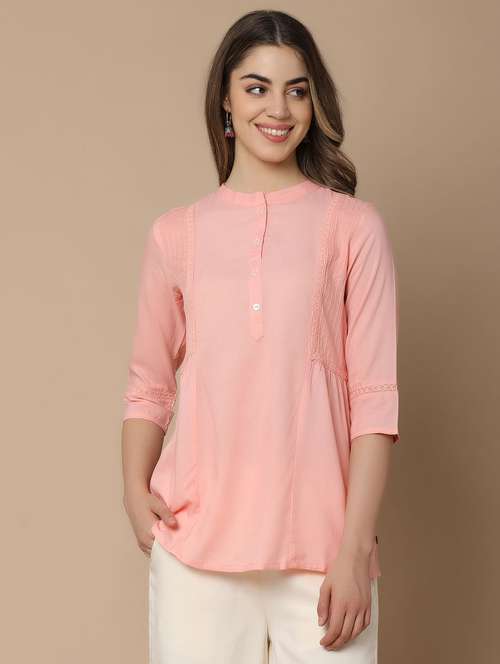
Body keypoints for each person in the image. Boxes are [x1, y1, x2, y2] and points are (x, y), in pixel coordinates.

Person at [121, 9, 400, 663]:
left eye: (296, 90)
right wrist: (134, 491)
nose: (278, 108)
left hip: (324, 556)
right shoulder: (176, 234)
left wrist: (355, 547)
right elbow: (148, 386)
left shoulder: (353, 228)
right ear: (226, 98)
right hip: (196, 554)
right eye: (257, 87)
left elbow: (375, 403)